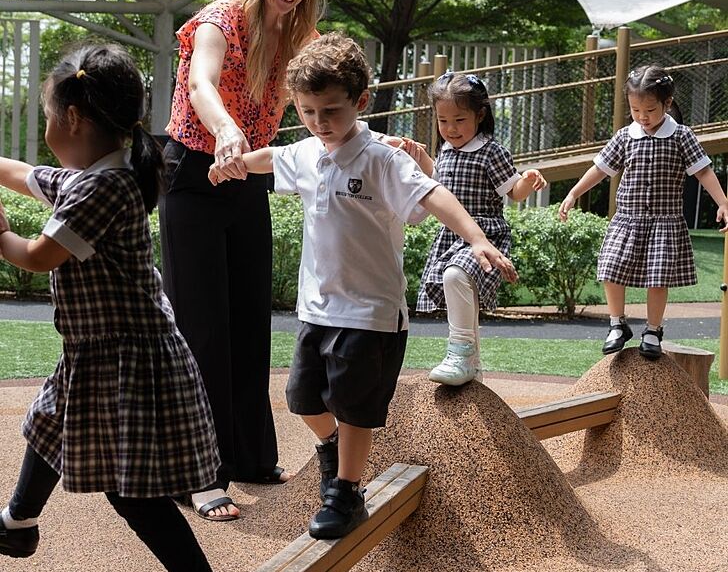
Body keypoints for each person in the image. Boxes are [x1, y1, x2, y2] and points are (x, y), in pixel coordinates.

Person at [209, 32, 518, 539]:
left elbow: (434, 195)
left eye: (330, 110)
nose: (319, 122)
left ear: (361, 101)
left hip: (371, 311)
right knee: (303, 400)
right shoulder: (309, 151)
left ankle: (347, 493)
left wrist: (478, 239)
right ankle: (333, 451)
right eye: (307, 111)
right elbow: (273, 157)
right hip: (317, 307)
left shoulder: (382, 158)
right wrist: (236, 164)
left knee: (354, 407)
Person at [0, 44, 234, 572]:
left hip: (126, 357)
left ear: (72, 118)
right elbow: (26, 174)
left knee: (130, 490)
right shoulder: (108, 169)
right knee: (49, 424)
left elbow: (38, 256)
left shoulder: (100, 188)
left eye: (48, 116)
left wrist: (0, 235)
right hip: (98, 349)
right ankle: (17, 523)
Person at [159, 0, 325, 521]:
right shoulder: (221, 19)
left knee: (250, 320)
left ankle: (251, 457)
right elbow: (201, 82)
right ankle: (198, 474)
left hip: (248, 175)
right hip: (194, 173)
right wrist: (226, 128)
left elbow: (325, 99)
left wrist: (370, 143)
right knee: (202, 326)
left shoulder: (299, 34)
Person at [559, 65, 728, 359]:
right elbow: (600, 169)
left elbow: (703, 171)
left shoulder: (681, 136)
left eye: (650, 110)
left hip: (664, 222)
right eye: (635, 110)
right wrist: (574, 193)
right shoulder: (626, 136)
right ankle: (617, 324)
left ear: (667, 103)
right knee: (610, 267)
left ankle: (653, 330)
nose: (642, 116)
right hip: (627, 219)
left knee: (658, 278)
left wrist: (723, 202)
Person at [399, 72, 545, 386]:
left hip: (486, 234)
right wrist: (421, 158)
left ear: (480, 115)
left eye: (459, 120)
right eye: (443, 121)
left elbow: (514, 192)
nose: (451, 128)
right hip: (452, 235)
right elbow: (438, 181)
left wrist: (528, 179)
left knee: (455, 275)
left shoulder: (491, 152)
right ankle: (471, 365)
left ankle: (460, 353)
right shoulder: (446, 150)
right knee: (460, 290)